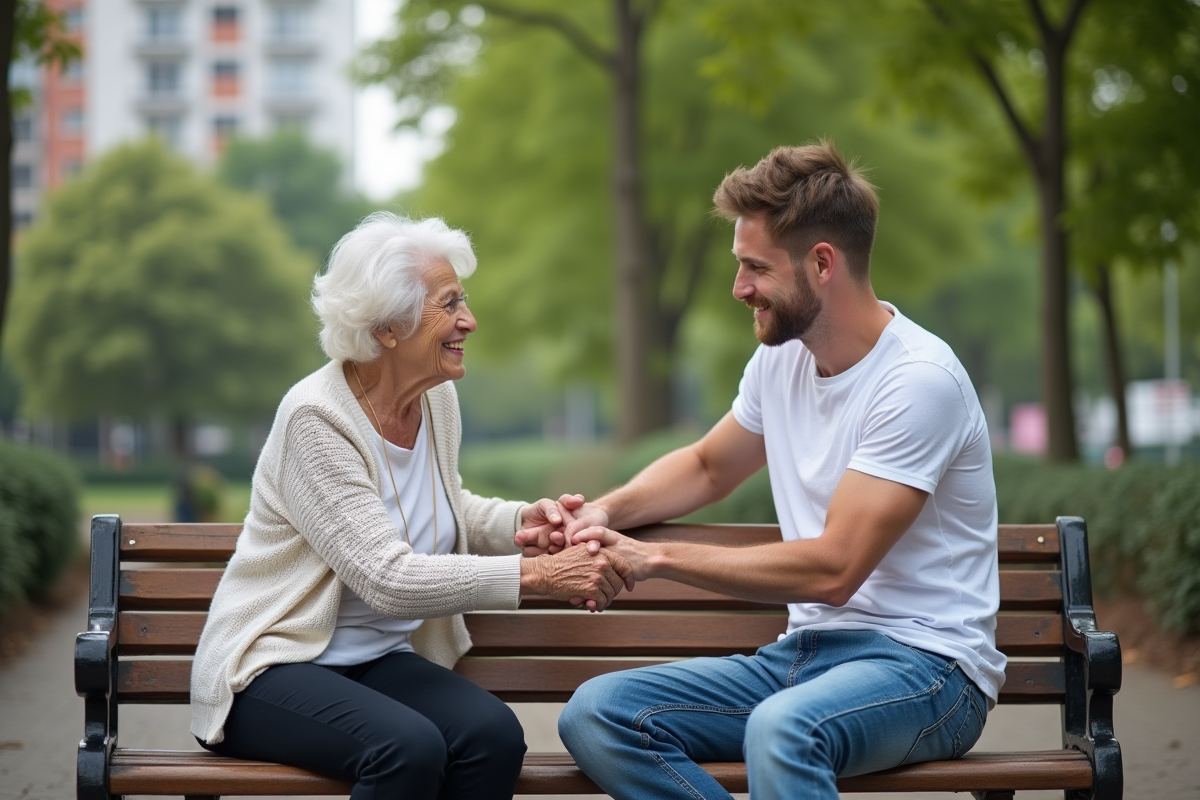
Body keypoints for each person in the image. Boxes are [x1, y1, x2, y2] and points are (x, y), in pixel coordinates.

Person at [521, 141, 1003, 800]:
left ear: (823, 263)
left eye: (755, 267)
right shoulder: (783, 358)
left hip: (929, 670)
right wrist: (602, 512)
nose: (739, 288)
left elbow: (836, 568)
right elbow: (707, 466)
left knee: (783, 729)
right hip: (804, 659)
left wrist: (655, 559)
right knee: (599, 715)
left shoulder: (918, 381)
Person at [190, 212, 632, 800]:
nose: (468, 321)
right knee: (406, 750)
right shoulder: (315, 418)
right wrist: (539, 576)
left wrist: (520, 524)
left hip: (375, 659)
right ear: (388, 328)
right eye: (448, 305)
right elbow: (387, 577)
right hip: (275, 666)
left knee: (494, 737)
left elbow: (444, 504)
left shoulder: (435, 398)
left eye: (462, 301)